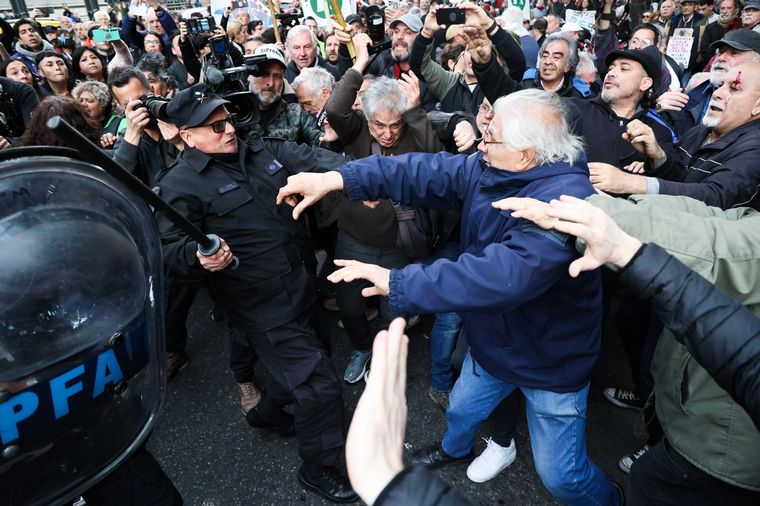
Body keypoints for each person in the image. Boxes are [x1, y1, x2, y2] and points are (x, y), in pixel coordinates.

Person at [277, 88, 621, 505]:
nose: (481, 143)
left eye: (490, 137)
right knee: (460, 411)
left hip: (550, 360)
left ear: (528, 154)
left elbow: (501, 276)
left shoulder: (568, 203)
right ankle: (453, 449)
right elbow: (426, 171)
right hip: (492, 342)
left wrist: (400, 283)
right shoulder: (495, 165)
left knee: (561, 475)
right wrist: (341, 178)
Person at [157, 83, 357, 503]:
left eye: (226, 119)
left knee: (307, 371)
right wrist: (197, 256)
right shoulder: (180, 185)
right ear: (187, 136)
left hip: (302, 288)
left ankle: (263, 416)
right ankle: (319, 468)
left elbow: (320, 160)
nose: (227, 129)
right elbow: (166, 249)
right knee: (320, 388)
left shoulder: (260, 149)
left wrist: (367, 172)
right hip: (262, 309)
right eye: (213, 126)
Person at [494, 193, 760, 505]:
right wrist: (628, 198)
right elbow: (723, 216)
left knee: (647, 481)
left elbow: (719, 248)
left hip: (719, 448)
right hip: (694, 403)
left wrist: (601, 228)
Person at [589, 62, 760, 211]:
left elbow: (715, 197)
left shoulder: (754, 150)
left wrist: (631, 183)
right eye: (721, 85)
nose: (717, 93)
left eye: (734, 88)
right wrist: (656, 159)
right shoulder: (699, 132)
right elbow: (677, 174)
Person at [246, 44, 326, 145]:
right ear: (250, 77)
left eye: (277, 76)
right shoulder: (236, 114)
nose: (270, 83)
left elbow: (324, 143)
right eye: (264, 74)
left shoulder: (296, 114)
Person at [72, 80, 126, 148]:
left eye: (90, 101)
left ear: (103, 103)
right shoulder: (76, 125)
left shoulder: (122, 123)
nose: (83, 104)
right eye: (80, 101)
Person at [700, 0, 743, 65]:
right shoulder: (710, 27)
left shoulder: (741, 26)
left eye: (729, 8)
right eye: (722, 8)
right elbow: (705, 51)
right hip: (713, 65)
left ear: (736, 10)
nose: (724, 11)